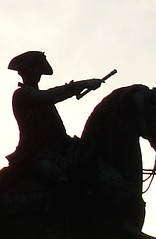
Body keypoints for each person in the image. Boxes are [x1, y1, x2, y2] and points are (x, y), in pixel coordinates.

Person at [6, 50, 103, 183]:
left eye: (38, 70)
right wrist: (82, 84)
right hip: (37, 155)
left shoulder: (36, 96)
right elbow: (48, 96)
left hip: (57, 152)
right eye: (34, 69)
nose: (37, 73)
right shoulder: (23, 94)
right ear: (23, 72)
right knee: (62, 182)